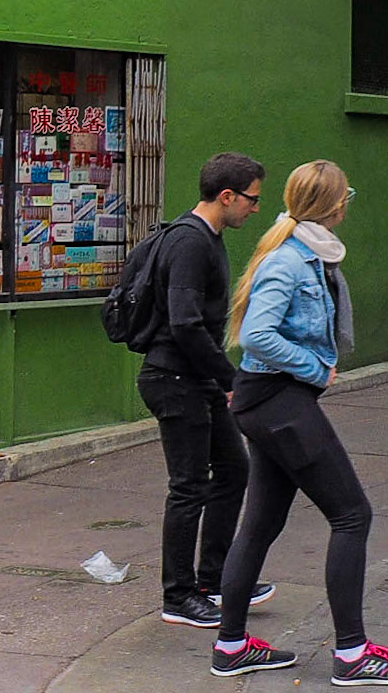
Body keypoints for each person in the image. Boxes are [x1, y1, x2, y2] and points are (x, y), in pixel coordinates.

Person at [210, 162, 383, 682]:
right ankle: (352, 655)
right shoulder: (289, 261)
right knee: (353, 515)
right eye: (345, 195)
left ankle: (232, 646)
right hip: (279, 402)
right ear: (336, 206)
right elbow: (257, 335)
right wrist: (314, 368)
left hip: (270, 402)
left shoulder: (307, 253)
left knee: (261, 522)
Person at [139, 152, 268, 629]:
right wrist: (232, 378)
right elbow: (186, 323)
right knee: (189, 487)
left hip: (195, 378)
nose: (255, 210)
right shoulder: (192, 244)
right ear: (227, 196)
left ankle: (215, 578)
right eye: (252, 200)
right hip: (175, 378)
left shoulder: (207, 238)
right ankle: (179, 596)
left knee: (234, 468)